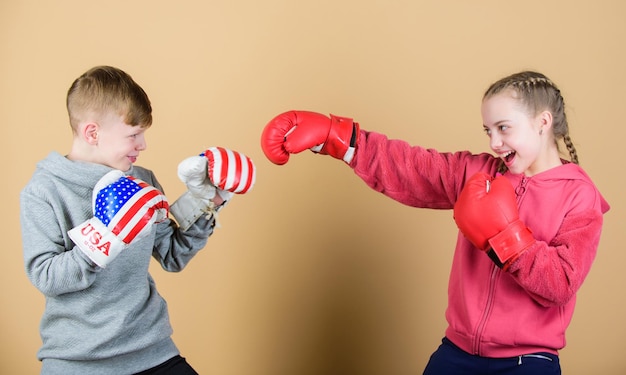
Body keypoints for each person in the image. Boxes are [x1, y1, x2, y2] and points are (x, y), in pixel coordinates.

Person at [260, 71, 610, 374]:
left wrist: (507, 238)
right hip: (457, 353)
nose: (494, 142)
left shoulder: (580, 196)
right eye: (488, 130)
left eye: (504, 128)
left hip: (529, 361)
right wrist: (341, 140)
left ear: (542, 122)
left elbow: (561, 282)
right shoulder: (478, 173)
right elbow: (413, 169)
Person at [20, 65, 256, 375]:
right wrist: (103, 237)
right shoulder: (44, 190)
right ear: (92, 132)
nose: (142, 145)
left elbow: (173, 255)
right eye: (133, 134)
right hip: (78, 363)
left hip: (152, 351)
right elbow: (45, 276)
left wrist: (206, 201)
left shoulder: (142, 181)